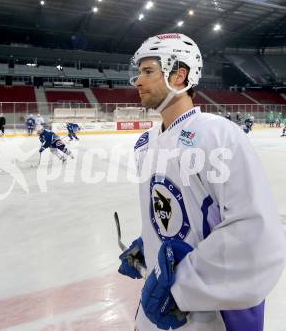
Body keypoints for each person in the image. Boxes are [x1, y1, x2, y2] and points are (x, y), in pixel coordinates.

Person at [119, 33, 286, 331]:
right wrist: (150, 241)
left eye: (148, 72)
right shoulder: (144, 144)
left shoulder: (218, 135)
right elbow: (176, 213)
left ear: (179, 75)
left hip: (203, 316)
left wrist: (179, 287)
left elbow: (253, 233)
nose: (137, 81)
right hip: (156, 309)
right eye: (139, 72)